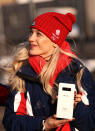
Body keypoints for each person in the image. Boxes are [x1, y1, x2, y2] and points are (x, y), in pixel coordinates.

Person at [1, 12, 95, 131]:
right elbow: (11, 121)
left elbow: (90, 124)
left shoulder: (78, 72)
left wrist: (77, 107)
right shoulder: (22, 74)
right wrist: (44, 124)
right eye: (31, 32)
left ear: (54, 41)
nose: (31, 38)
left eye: (38, 34)